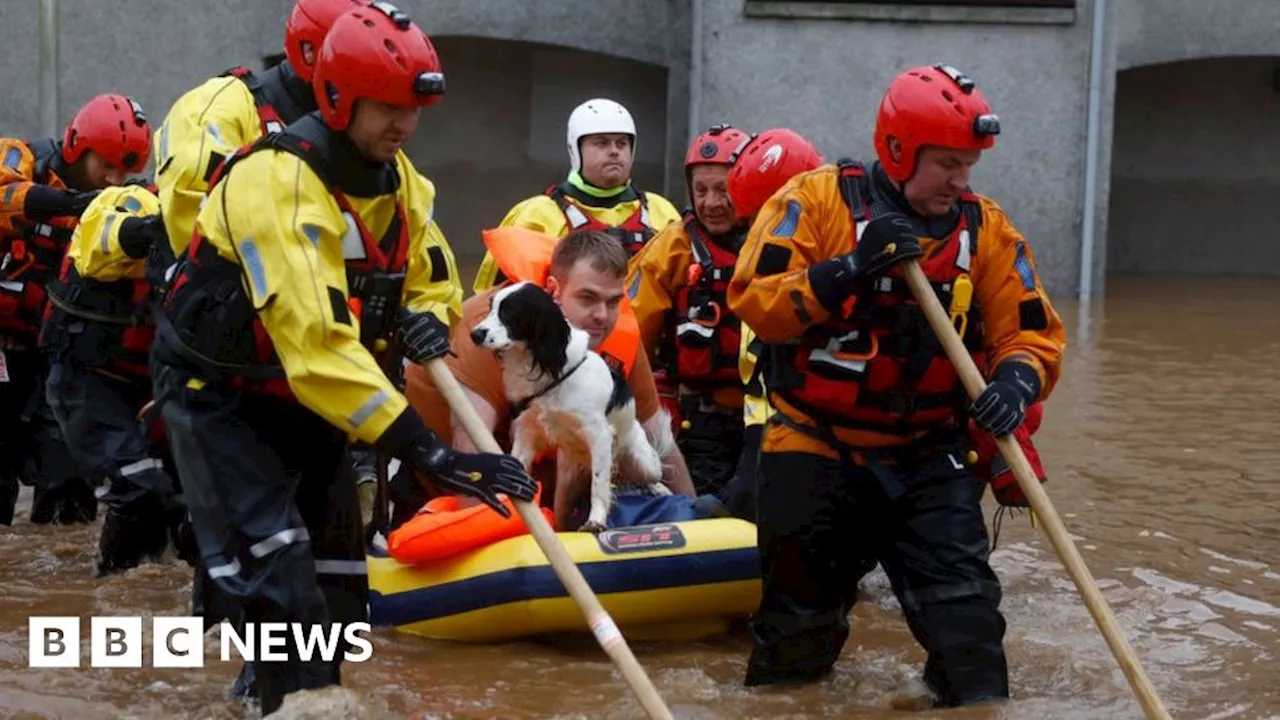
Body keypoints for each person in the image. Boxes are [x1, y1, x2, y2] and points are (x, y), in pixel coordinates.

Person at [149, 5, 535, 712]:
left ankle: (280, 695)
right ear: (337, 97)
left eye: (413, 108)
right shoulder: (278, 179)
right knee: (276, 573)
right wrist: (428, 450)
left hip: (310, 406)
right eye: (387, 107)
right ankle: (276, 693)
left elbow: (432, 274)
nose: (404, 124)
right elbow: (318, 344)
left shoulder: (401, 182)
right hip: (221, 400)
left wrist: (424, 316)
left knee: (336, 591)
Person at [726, 64, 1066, 706]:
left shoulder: (984, 228)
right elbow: (756, 301)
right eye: (948, 165)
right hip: (815, 449)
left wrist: (1017, 384)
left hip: (927, 458)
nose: (961, 180)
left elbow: (1033, 332)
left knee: (972, 649)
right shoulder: (814, 202)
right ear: (899, 150)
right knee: (794, 646)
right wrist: (850, 267)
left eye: (969, 165)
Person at [401, 228, 697, 531]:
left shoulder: (614, 336)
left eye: (612, 302)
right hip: (437, 483)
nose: (602, 316)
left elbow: (652, 433)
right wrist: (485, 542)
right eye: (587, 298)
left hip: (551, 493)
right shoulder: (486, 330)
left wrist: (694, 513)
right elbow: (471, 442)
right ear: (554, 290)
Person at [41, 167, 196, 575]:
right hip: (90, 380)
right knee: (139, 489)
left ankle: (150, 599)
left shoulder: (229, 229)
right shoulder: (130, 202)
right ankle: (110, 588)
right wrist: (145, 233)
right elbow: (101, 237)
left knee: (192, 510)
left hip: (157, 390)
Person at [0, 93, 146, 525]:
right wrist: (72, 206)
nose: (115, 180)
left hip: (54, 357)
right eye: (107, 165)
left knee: (70, 488)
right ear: (78, 146)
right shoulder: (21, 157)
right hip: (3, 344)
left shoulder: (121, 207)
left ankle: (59, 586)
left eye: (126, 170)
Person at [151, 0, 369, 266]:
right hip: (236, 294)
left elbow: (421, 252)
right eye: (351, 56)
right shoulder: (223, 104)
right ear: (309, 51)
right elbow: (191, 215)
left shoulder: (359, 129)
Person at [625, 123, 753, 499]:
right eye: (701, 190)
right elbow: (631, 332)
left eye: (723, 189)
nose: (711, 202)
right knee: (705, 509)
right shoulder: (674, 248)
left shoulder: (774, 238)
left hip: (766, 419)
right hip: (700, 418)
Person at [470, 98, 681, 293]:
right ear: (575, 149)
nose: (614, 151)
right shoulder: (536, 215)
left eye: (622, 143)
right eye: (601, 143)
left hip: (646, 333)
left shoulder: (661, 212)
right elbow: (494, 299)